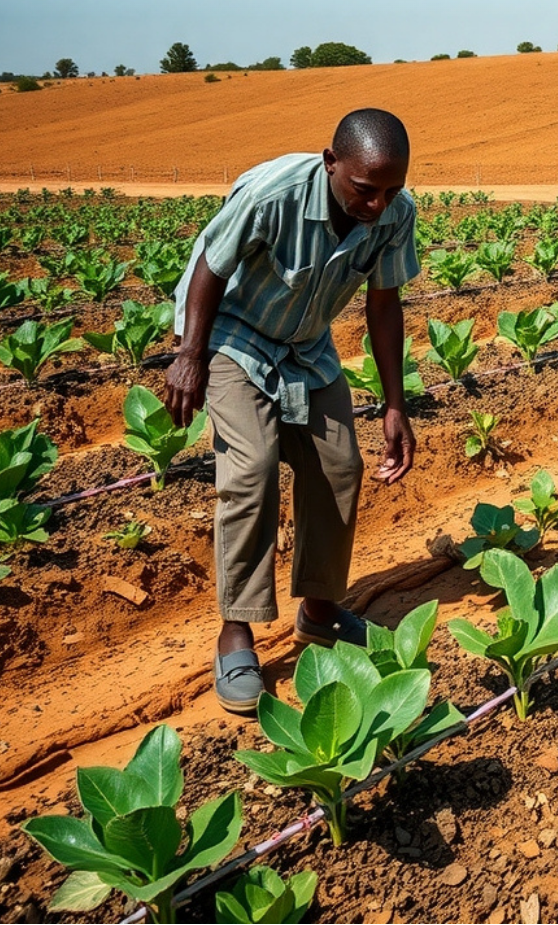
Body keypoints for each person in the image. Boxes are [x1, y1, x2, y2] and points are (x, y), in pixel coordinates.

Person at [166, 108, 420, 714]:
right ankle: (236, 631)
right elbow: (211, 265)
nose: (378, 205)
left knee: (339, 466)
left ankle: (320, 610)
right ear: (331, 163)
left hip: (305, 344)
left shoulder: (395, 213)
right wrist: (190, 355)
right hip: (231, 332)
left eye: (392, 191)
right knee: (251, 470)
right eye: (365, 189)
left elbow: (384, 305)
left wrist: (394, 404)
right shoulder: (272, 194)